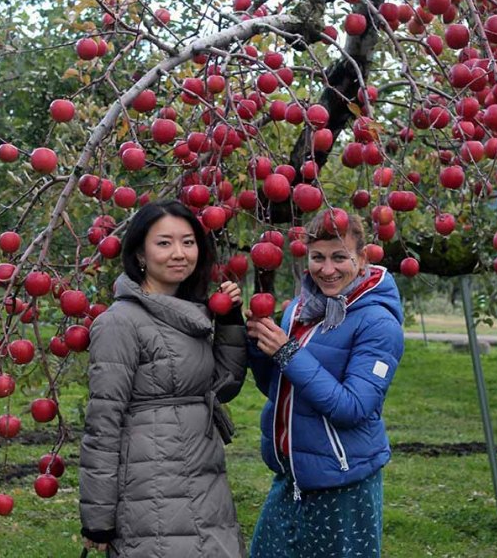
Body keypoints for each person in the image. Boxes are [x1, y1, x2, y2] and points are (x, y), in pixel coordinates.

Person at [79, 199, 247, 557]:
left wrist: (231, 321)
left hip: (203, 479)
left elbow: (223, 386)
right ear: (140, 253)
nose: (179, 253)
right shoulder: (119, 323)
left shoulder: (191, 314)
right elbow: (103, 424)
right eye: (164, 243)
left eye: (188, 242)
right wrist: (98, 517)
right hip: (152, 487)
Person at [245, 210, 405, 558]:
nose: (327, 269)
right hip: (293, 476)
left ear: (362, 258)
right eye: (318, 257)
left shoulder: (378, 323)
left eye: (339, 257)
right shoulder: (300, 310)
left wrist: (287, 352)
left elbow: (353, 408)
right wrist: (258, 346)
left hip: (342, 482)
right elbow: (282, 390)